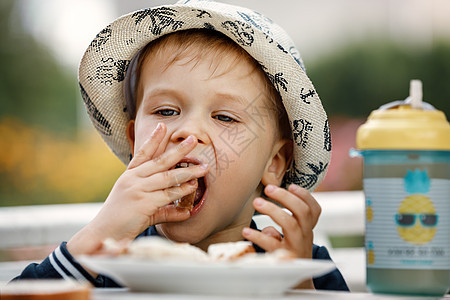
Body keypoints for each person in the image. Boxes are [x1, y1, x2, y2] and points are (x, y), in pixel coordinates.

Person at [14, 0, 348, 291]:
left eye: (225, 117)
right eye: (166, 111)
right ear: (135, 144)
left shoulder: (301, 263)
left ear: (274, 163)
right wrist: (94, 239)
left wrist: (298, 283)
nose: (187, 132)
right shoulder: (106, 262)